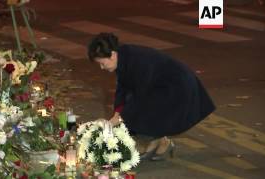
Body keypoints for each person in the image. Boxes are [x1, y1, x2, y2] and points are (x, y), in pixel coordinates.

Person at [87, 33, 215, 161]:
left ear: (113, 55)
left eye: (102, 63)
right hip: (161, 86)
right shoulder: (123, 57)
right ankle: (158, 141)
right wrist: (117, 113)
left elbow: (140, 97)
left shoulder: (137, 61)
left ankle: (161, 141)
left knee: (137, 114)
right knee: (130, 113)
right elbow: (123, 88)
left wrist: (117, 120)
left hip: (178, 87)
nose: (101, 68)